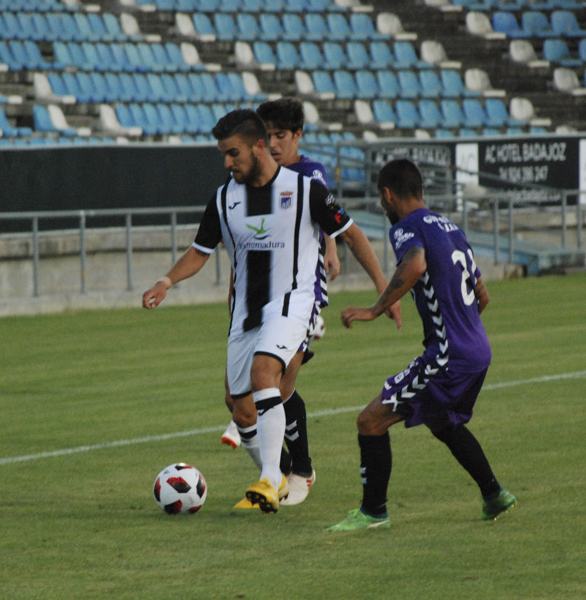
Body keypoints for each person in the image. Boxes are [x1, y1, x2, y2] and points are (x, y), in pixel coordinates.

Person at [142, 109, 399, 514]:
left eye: (233, 154)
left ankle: (272, 478)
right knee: (238, 406)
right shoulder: (225, 198)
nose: (227, 163)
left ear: (258, 147)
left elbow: (349, 233)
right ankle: (277, 473)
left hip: (294, 300)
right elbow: (199, 251)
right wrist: (167, 281)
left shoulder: (303, 189)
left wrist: (384, 289)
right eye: (224, 155)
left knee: (267, 374)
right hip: (246, 310)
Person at [329, 158, 516, 531]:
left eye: (382, 202)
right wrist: (463, 331)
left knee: (370, 421)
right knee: (441, 422)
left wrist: (375, 307)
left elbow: (413, 267)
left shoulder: (407, 227)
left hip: (449, 355)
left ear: (387, 195)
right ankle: (494, 494)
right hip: (478, 351)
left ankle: (372, 512)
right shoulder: (451, 228)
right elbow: (483, 296)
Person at [219, 98, 338, 507]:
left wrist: (332, 248)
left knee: (276, 382)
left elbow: (329, 218)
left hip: (301, 294)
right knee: (247, 399)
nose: (272, 144)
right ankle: (281, 473)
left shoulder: (307, 174)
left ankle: (296, 472)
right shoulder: (252, 182)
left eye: (280, 136)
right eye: (266, 136)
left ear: (297, 136)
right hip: (259, 300)